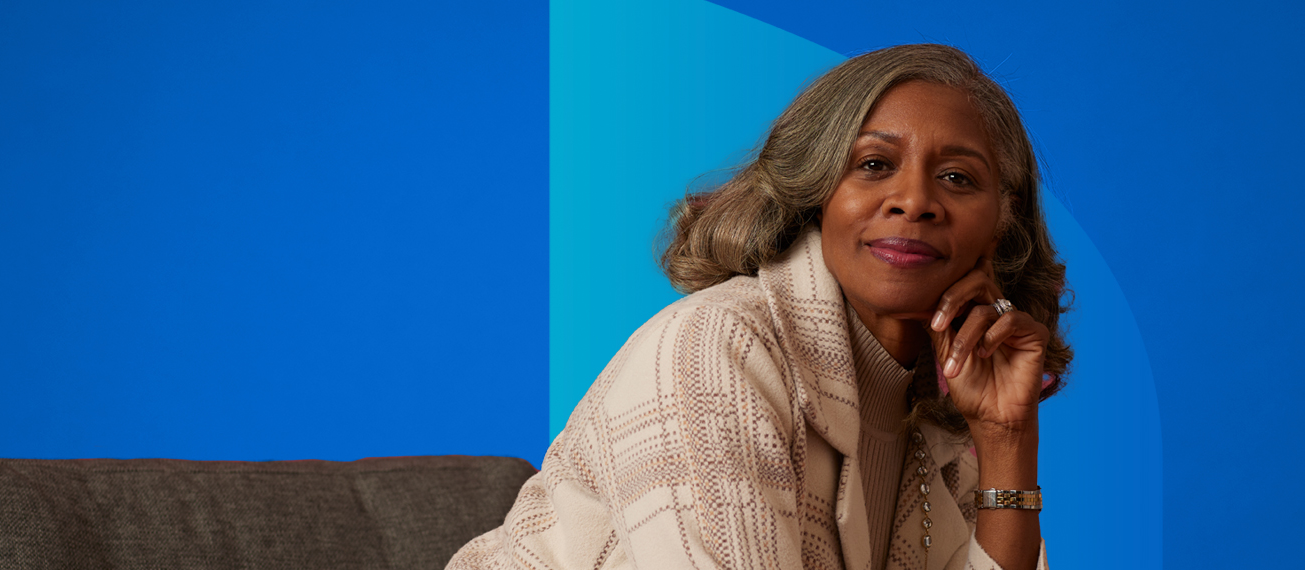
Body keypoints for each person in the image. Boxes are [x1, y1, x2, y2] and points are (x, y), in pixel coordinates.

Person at [450, 43, 1069, 570]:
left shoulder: (937, 413)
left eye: (958, 178)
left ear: (1001, 224)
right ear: (817, 192)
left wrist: (1007, 439)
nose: (914, 201)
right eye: (873, 165)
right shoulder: (715, 349)